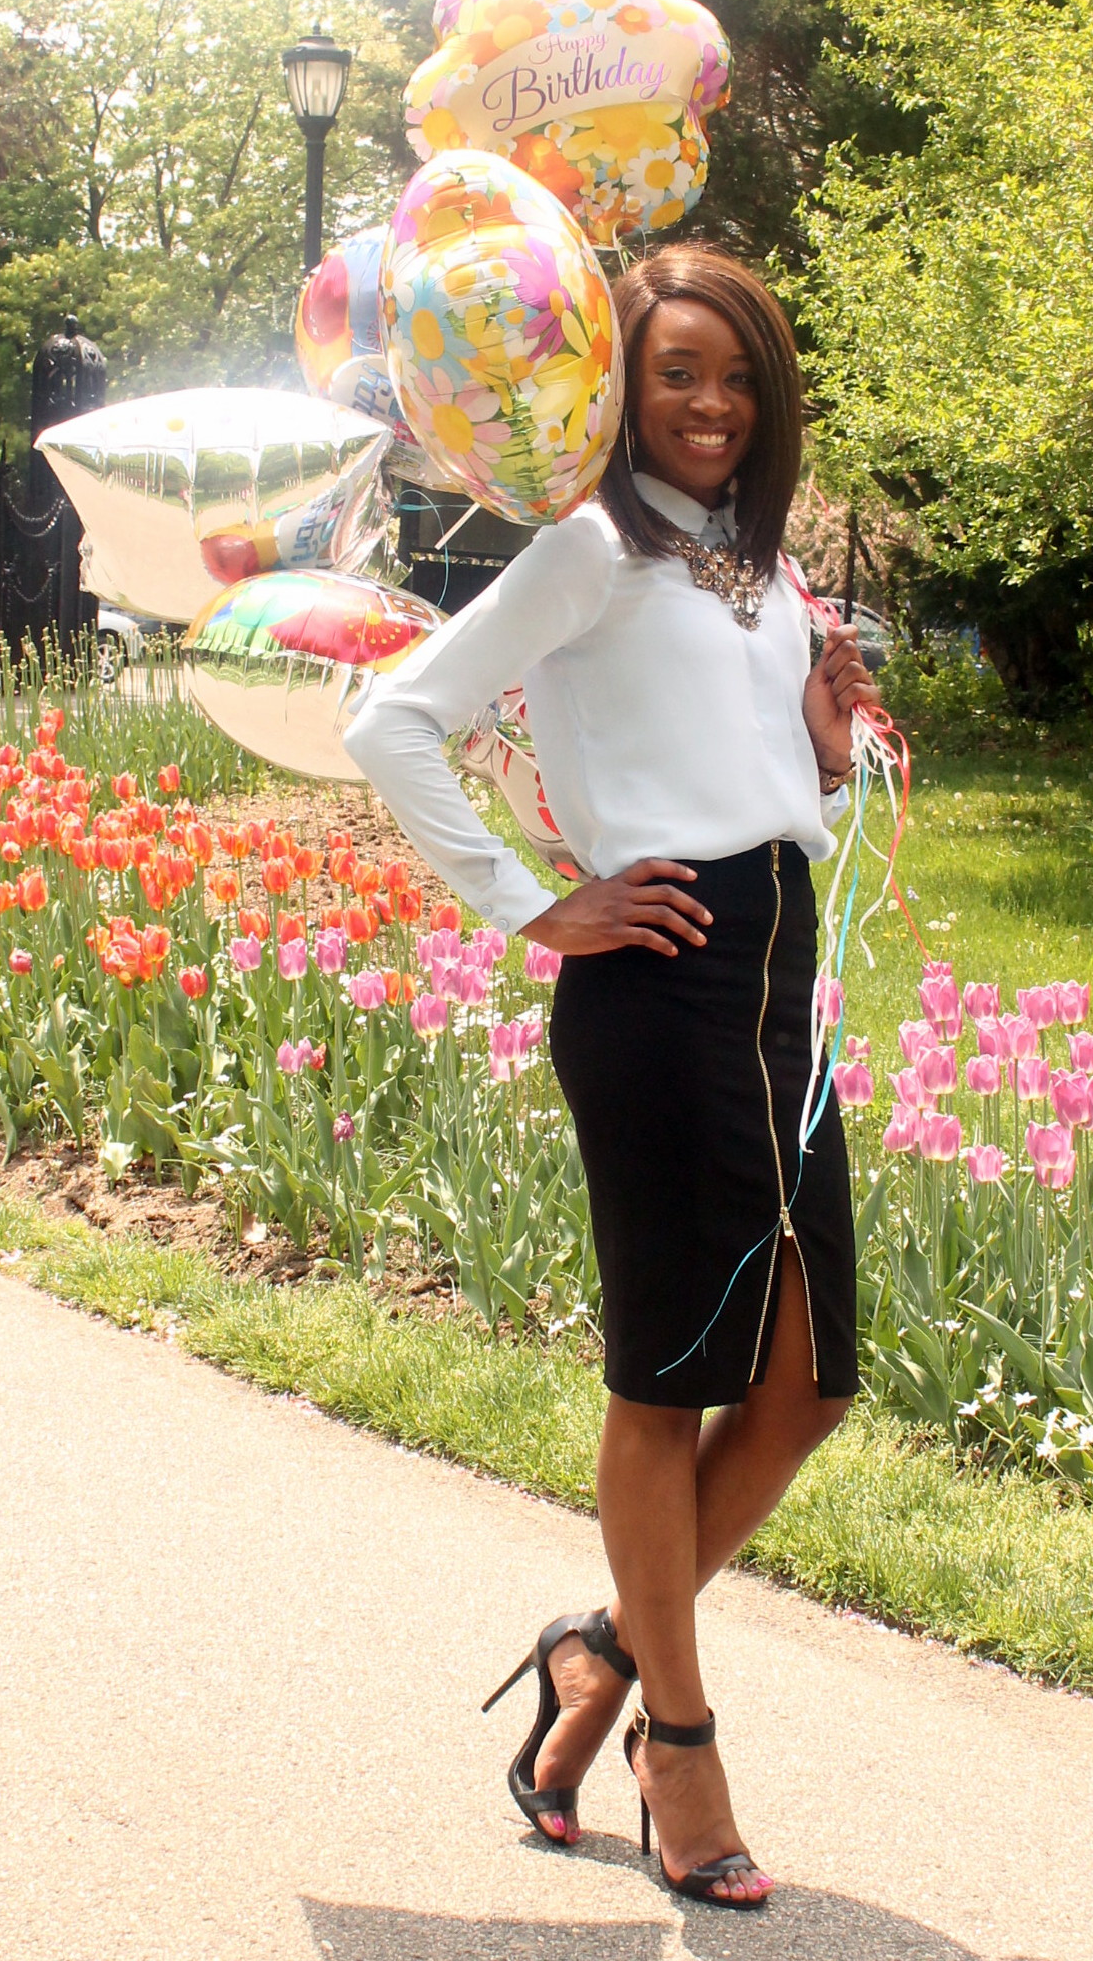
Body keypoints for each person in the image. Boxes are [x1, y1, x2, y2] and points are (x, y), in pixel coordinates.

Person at [345, 244, 875, 1909]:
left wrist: (830, 752)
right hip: (656, 980)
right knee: (669, 1382)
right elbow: (394, 723)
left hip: (781, 980)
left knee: (808, 1380)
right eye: (677, 373)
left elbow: (779, 801)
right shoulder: (585, 548)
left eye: (737, 377)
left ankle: (597, 1648)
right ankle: (683, 1746)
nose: (712, 403)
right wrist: (530, 902)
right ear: (617, 389)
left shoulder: (760, 570)